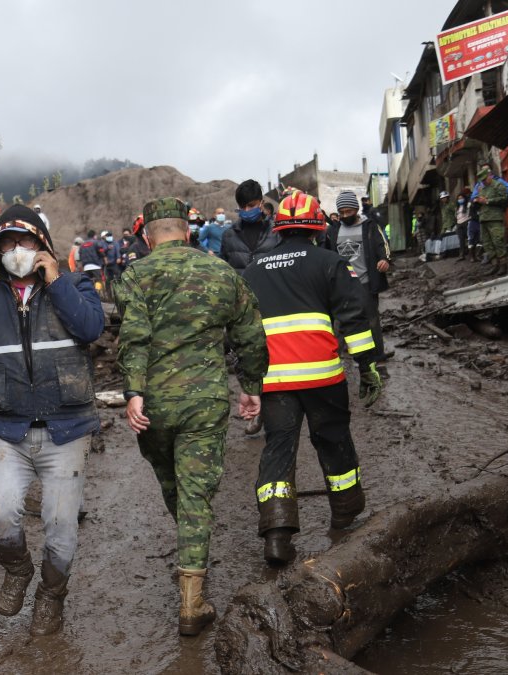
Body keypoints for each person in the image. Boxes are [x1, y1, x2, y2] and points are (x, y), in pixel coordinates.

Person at [0, 204, 104, 636]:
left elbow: (91, 328)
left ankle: (51, 594)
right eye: (8, 243)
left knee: (61, 524)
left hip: (66, 428)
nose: (17, 250)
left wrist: (56, 281)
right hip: (7, 428)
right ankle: (17, 570)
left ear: (43, 244)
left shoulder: (75, 285)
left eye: (26, 241)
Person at [118, 197, 268, 636]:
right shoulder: (221, 272)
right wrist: (251, 386)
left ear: (148, 238)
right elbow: (250, 334)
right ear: (188, 232)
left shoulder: (135, 275)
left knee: (175, 487)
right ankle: (192, 600)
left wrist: (133, 392)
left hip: (155, 406)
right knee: (195, 495)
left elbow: (133, 337)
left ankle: (190, 569)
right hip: (205, 403)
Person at [242, 190, 382, 565]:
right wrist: (367, 366)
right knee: (333, 440)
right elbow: (355, 318)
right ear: (318, 227)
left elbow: (241, 331)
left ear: (278, 228)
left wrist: (248, 380)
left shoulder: (253, 270)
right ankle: (345, 513)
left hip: (274, 381)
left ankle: (276, 533)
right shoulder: (330, 262)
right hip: (322, 376)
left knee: (278, 448)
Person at [324, 190, 391, 363]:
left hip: (366, 282)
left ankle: (377, 355)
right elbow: (326, 253)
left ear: (356, 209)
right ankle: (333, 359)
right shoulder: (333, 230)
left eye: (349, 211)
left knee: (371, 320)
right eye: (342, 212)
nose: (345, 215)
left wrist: (384, 259)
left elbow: (382, 244)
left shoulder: (369, 226)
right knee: (339, 322)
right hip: (342, 285)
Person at [219, 180, 280, 273]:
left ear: (261, 203)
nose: (246, 210)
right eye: (242, 206)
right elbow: (224, 270)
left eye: (251, 205)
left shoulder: (276, 232)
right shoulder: (229, 235)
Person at [474, 166, 508, 276]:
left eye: (485, 179)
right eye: (482, 181)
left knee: (498, 240)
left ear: (490, 176)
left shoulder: (498, 185)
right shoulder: (482, 188)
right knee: (487, 243)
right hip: (484, 218)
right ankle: (495, 265)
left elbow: (504, 199)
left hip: (495, 217)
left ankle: (503, 265)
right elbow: (480, 200)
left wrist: (488, 201)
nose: (484, 182)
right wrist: (477, 201)